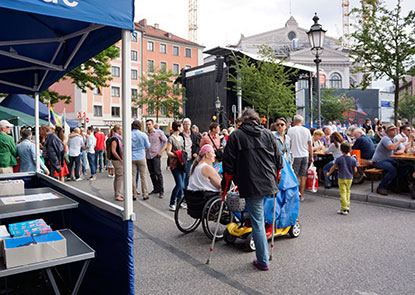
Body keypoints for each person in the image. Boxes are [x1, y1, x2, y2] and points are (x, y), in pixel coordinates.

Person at [223, 108, 283, 271]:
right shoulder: (269, 134)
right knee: (259, 216)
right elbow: (280, 161)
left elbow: (228, 164)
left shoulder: (236, 135)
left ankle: (263, 260)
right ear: (257, 120)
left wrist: (229, 182)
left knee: (257, 220)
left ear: (243, 120)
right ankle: (263, 250)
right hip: (268, 181)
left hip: (250, 182)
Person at [372, 123, 406, 195]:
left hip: (388, 160)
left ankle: (395, 186)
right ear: (387, 132)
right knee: (392, 169)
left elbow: (403, 148)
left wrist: (400, 151)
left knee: (403, 166)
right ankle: (381, 187)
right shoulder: (385, 138)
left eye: (395, 129)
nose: (394, 131)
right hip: (379, 161)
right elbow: (391, 147)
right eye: (392, 130)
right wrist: (399, 141)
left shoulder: (395, 139)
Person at [326, 142, 358, 215]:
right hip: (350, 178)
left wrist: (329, 173)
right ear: (350, 150)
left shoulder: (339, 159)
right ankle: (347, 205)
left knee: (342, 193)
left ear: (341, 150)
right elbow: (355, 170)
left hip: (341, 177)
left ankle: (344, 208)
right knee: (348, 191)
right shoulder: (353, 159)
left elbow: (333, 167)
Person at [287, 114, 313, 202]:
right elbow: (310, 145)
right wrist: (311, 156)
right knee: (303, 176)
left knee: (294, 176)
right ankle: (301, 195)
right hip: (305, 155)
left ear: (294, 121)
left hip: (294, 155)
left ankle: (294, 194)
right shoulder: (307, 130)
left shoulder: (290, 130)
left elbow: (289, 143)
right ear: (301, 121)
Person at [166, 121, 185, 211]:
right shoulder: (171, 138)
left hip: (182, 163)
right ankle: (172, 203)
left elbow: (183, 149)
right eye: (181, 126)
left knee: (182, 184)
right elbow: (168, 152)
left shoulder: (181, 138)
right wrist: (177, 155)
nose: (182, 128)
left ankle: (179, 202)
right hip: (174, 163)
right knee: (179, 184)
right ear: (177, 127)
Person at [146, 119, 167, 198]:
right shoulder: (146, 134)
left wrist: (161, 151)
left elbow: (166, 142)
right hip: (148, 155)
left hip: (156, 155)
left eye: (149, 124)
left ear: (153, 124)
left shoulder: (159, 132)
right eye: (147, 124)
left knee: (158, 173)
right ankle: (156, 188)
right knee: (152, 173)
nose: (148, 126)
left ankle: (161, 190)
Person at [131, 120, 150, 201]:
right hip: (141, 156)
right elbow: (148, 146)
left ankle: (133, 194)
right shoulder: (143, 135)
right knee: (143, 176)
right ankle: (145, 194)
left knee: (132, 176)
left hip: (131, 157)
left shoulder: (129, 134)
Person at [181, 118, 200, 189]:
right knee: (182, 175)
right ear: (183, 125)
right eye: (186, 124)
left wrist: (195, 152)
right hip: (182, 158)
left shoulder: (194, 135)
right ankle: (182, 190)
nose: (187, 126)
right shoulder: (180, 134)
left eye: (189, 124)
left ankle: (186, 189)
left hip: (190, 157)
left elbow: (198, 145)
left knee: (187, 174)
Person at [108, 125, 123, 201]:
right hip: (116, 160)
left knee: (118, 176)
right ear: (117, 130)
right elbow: (113, 151)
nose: (121, 131)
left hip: (116, 160)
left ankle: (117, 192)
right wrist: (120, 159)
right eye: (120, 129)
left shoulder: (115, 138)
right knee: (119, 176)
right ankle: (117, 194)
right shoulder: (115, 139)